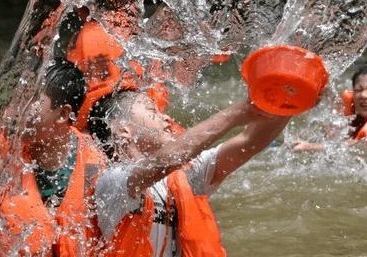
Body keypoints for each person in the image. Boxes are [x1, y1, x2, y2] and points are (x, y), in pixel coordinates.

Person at [90, 89, 293, 256]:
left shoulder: (177, 180)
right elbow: (166, 160)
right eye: (152, 110)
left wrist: (292, 100)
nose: (167, 118)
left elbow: (249, 142)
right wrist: (237, 113)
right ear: (123, 130)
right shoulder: (111, 182)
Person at [0, 58, 107, 256]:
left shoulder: (95, 167)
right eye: (18, 98)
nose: (14, 111)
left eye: (31, 99)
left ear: (63, 114)